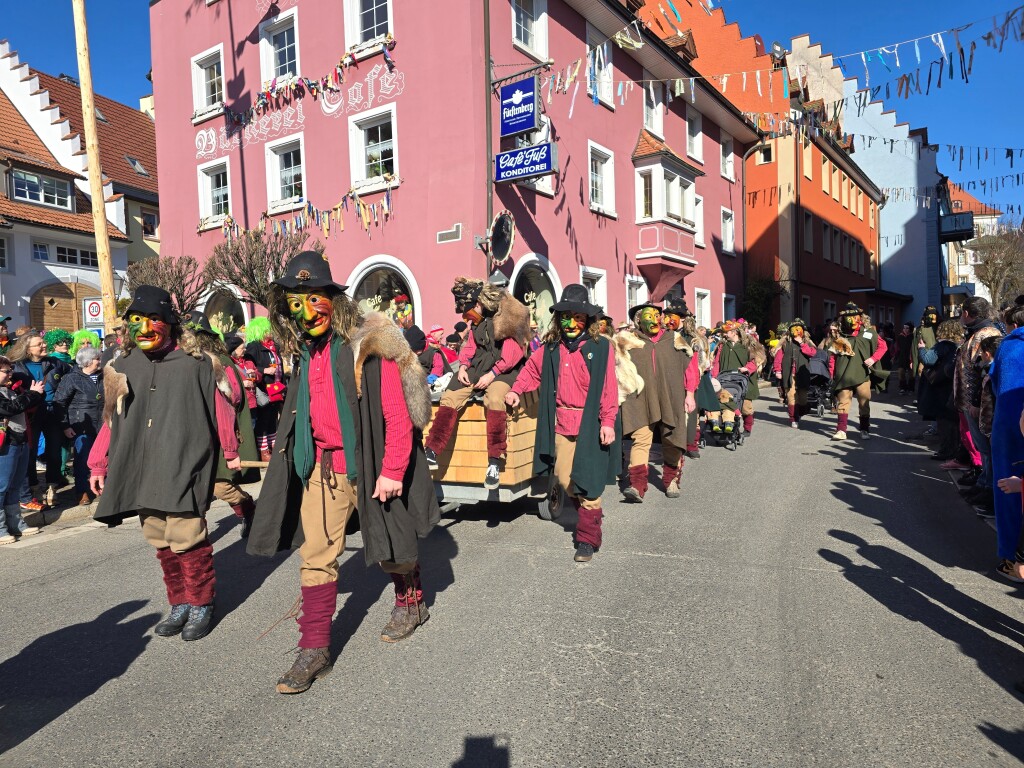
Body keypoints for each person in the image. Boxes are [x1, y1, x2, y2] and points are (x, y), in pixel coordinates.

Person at [246, 251, 439, 695]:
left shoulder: (367, 346)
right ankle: (314, 649)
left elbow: (395, 412)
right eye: (296, 302)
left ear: (334, 300)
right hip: (323, 467)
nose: (306, 311)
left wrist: (392, 470)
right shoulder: (307, 353)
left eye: (315, 300)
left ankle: (411, 600)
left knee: (392, 546)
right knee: (316, 555)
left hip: (370, 464)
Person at [89, 285, 240, 642]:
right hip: (141, 464)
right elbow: (111, 417)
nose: (144, 328)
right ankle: (180, 602)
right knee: (159, 536)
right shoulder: (121, 365)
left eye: (154, 320)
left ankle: (202, 602)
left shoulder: (198, 362)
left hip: (185, 459)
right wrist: (98, 463)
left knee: (187, 535)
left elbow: (222, 406)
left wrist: (230, 450)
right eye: (137, 320)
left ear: (170, 323)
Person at [505, 285, 620, 563]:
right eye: (566, 317)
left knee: (588, 483)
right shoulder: (551, 348)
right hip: (561, 423)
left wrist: (608, 422)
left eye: (577, 317)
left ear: (587, 319)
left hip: (590, 423)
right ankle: (587, 511)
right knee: (568, 480)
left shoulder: (601, 347)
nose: (571, 323)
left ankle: (587, 539)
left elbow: (608, 388)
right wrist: (516, 390)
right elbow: (532, 371)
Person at [423, 277, 530, 489]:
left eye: (469, 311)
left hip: (505, 370)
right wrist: (462, 366)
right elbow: (470, 347)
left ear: (479, 304)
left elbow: (514, 352)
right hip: (479, 367)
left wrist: (493, 374)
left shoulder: (506, 318)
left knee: (494, 398)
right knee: (450, 396)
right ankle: (432, 451)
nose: (466, 316)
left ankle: (494, 462)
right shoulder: (476, 322)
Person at [187, 313, 260, 537]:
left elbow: (234, 398)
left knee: (220, 485)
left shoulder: (221, 361)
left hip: (220, 431)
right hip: (192, 434)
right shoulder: (182, 364)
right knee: (192, 486)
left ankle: (247, 508)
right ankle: (195, 536)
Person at [617, 300, 698, 501]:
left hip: (671, 396)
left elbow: (690, 367)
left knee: (672, 438)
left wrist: (690, 394)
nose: (654, 319)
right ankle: (637, 485)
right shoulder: (628, 342)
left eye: (656, 315)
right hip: (640, 399)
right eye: (648, 315)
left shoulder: (675, 339)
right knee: (641, 438)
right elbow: (616, 370)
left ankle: (671, 480)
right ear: (638, 321)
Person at [9, 332, 71, 506]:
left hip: (53, 411)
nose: (44, 346)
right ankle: (33, 487)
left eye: (44, 343)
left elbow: (73, 377)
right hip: (30, 414)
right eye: (39, 344)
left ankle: (52, 486)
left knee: (54, 451)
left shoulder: (55, 363)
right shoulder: (17, 367)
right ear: (28, 349)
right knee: (30, 452)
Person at [989, 303, 1024, 582]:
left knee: (1009, 490)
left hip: (1012, 426)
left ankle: (1011, 558)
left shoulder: (1010, 346)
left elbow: (995, 382)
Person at [825, 303, 887, 441]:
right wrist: (832, 373)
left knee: (864, 402)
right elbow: (833, 358)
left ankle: (864, 429)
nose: (851, 320)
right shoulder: (840, 336)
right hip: (844, 374)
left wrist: (873, 359)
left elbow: (883, 346)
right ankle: (841, 430)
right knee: (843, 402)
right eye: (848, 317)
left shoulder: (869, 333)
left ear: (860, 317)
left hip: (862, 374)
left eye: (854, 317)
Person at [53, 347, 104, 506]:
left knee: (103, 459)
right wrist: (65, 426)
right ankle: (82, 492)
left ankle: (101, 488)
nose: (100, 361)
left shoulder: (103, 376)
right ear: (88, 362)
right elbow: (59, 403)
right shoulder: (71, 378)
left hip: (102, 425)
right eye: (97, 358)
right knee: (82, 460)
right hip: (81, 426)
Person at [0, 357, 44, 544]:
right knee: (1, 487)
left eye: (10, 370)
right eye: (6, 371)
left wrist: (33, 394)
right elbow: (10, 408)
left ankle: (16, 523)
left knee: (15, 485)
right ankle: (1, 528)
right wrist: (32, 394)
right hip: (5, 444)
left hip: (20, 441)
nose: (10, 374)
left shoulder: (10, 390)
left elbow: (27, 405)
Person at [244, 316, 285, 462]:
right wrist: (264, 370)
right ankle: (263, 450)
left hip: (276, 387)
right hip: (263, 389)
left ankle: (273, 446)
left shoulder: (274, 347)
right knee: (263, 420)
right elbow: (248, 366)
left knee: (273, 419)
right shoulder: (254, 346)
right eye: (267, 329)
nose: (270, 332)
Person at [710, 320, 761, 436]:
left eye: (727, 332)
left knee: (745, 408)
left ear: (734, 332)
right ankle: (726, 426)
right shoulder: (723, 346)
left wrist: (747, 368)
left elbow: (755, 360)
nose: (724, 334)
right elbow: (717, 362)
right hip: (724, 380)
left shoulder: (747, 345)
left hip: (743, 380)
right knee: (725, 405)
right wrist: (714, 376)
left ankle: (748, 428)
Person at [772, 319, 820, 429]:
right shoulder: (785, 342)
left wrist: (802, 343)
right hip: (789, 373)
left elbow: (812, 353)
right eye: (794, 329)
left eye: (799, 329)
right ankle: (793, 418)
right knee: (791, 396)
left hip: (802, 373)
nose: (796, 331)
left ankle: (801, 411)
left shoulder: (807, 342)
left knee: (803, 398)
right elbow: (778, 357)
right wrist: (778, 370)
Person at [894, 322, 915, 395]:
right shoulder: (900, 337)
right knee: (901, 373)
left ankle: (911, 389)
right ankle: (903, 388)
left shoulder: (913, 337)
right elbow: (897, 348)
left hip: (910, 358)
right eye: (904, 328)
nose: (905, 329)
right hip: (902, 357)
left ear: (910, 329)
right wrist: (895, 357)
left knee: (911, 374)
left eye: (907, 328)